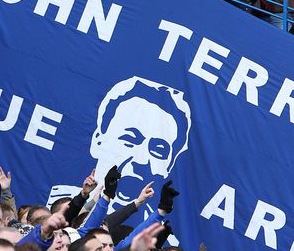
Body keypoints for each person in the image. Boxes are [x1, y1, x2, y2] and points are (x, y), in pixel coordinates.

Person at [49, 76, 192, 214]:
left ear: (169, 165)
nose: (141, 160)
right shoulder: (54, 210)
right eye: (130, 139)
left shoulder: (151, 232)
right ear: (98, 140)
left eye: (158, 150)